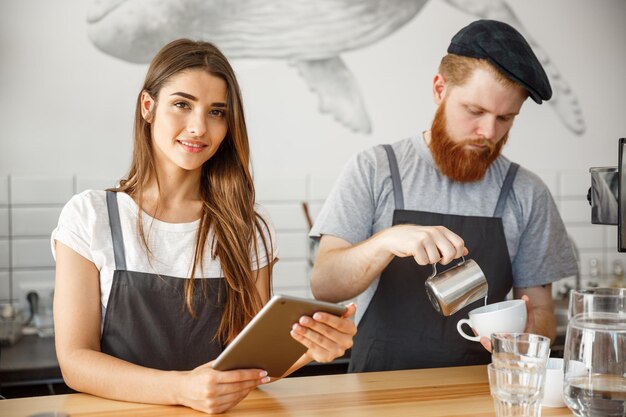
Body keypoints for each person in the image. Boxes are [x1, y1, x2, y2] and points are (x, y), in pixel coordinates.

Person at [51, 39, 356, 414]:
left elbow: (251, 363)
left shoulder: (247, 226)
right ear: (148, 107)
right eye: (182, 104)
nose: (198, 127)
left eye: (216, 112)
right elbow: (76, 362)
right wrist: (181, 389)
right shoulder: (90, 216)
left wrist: (309, 347)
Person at [309, 19, 578, 373]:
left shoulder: (527, 193)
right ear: (440, 89)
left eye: (505, 118)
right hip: (375, 391)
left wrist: (526, 334)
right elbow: (325, 284)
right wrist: (386, 240)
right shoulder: (375, 169)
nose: (488, 132)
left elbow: (541, 309)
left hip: (481, 393)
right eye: (475, 111)